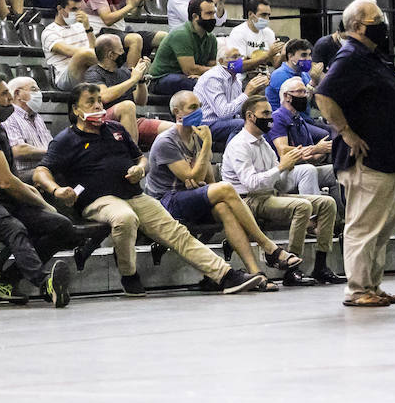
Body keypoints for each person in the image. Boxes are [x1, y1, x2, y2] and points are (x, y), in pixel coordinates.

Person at [34, 84, 265, 296]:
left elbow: (140, 159)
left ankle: (225, 275)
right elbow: (40, 172)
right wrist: (56, 190)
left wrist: (139, 169)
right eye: (90, 102)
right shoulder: (66, 139)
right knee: (125, 218)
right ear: (75, 109)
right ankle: (129, 274)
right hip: (99, 200)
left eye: (99, 101)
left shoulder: (115, 129)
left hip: (134, 194)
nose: (97, 106)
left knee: (177, 233)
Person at [315, 0, 395, 306]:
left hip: (386, 157)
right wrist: (347, 132)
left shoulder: (371, 55)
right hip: (366, 158)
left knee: (381, 227)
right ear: (356, 26)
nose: (383, 27)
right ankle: (357, 289)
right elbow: (324, 96)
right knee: (364, 226)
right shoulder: (350, 56)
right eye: (376, 22)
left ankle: (373, 285)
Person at [147, 90, 306, 284]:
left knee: (224, 207)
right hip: (165, 202)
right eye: (193, 108)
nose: (199, 112)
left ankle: (256, 273)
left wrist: (203, 181)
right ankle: (269, 247)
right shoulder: (167, 141)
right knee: (225, 189)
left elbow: (207, 178)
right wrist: (207, 144)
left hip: (189, 196)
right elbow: (192, 176)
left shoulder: (196, 136)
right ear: (178, 113)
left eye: (199, 106)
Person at [0, 72, 77, 306]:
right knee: (13, 226)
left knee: (61, 226)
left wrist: (42, 204)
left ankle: (6, 281)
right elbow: (6, 181)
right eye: (4, 94)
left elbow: (12, 179)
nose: (10, 98)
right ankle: (45, 283)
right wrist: (44, 203)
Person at [222, 97, 343, 286]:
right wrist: (280, 168)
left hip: (269, 196)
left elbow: (280, 184)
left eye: (270, 112)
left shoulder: (263, 143)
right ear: (250, 116)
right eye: (266, 113)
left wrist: (291, 165)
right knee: (301, 206)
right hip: (247, 201)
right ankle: (292, 270)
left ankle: (321, 265)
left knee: (327, 203)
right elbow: (251, 183)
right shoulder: (239, 145)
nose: (270, 118)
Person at [83, 34, 164, 144]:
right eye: (121, 50)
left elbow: (141, 101)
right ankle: (132, 156)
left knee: (173, 129)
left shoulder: (124, 72)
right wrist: (133, 79)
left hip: (131, 122)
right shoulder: (93, 73)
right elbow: (104, 96)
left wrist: (140, 80)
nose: (123, 53)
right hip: (103, 122)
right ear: (111, 55)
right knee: (127, 106)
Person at [270, 77, 338, 204]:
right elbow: (283, 150)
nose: (305, 96)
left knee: (336, 170)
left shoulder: (299, 119)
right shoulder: (277, 117)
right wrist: (315, 149)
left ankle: (339, 218)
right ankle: (313, 216)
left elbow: (311, 157)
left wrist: (325, 150)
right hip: (282, 172)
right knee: (308, 170)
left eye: (305, 92)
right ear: (287, 96)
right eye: (300, 92)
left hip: (300, 167)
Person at [196, 45, 272, 147]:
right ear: (221, 61)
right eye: (234, 57)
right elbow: (224, 113)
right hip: (206, 125)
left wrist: (255, 92)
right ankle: (232, 158)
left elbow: (237, 110)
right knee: (242, 124)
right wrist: (247, 93)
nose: (239, 60)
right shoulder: (213, 78)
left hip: (226, 123)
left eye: (240, 57)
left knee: (262, 121)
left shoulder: (236, 80)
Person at [149, 0, 220, 96]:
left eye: (213, 13)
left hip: (190, 76)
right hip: (161, 79)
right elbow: (189, 69)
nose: (213, 18)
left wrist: (207, 74)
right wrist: (214, 71)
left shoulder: (211, 38)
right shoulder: (181, 34)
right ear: (195, 16)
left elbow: (211, 66)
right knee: (198, 84)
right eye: (208, 14)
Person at [225, 0, 286, 72]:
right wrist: (267, 55)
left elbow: (276, 65)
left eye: (268, 15)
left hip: (264, 77)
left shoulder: (269, 33)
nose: (267, 18)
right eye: (263, 15)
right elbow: (235, 66)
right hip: (243, 79)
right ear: (250, 14)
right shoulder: (238, 32)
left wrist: (283, 54)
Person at [265, 38, 314, 106]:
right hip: (283, 116)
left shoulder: (305, 74)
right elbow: (298, 104)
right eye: (304, 55)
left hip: (302, 116)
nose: (309, 59)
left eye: (310, 55)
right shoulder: (279, 75)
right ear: (290, 56)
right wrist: (313, 83)